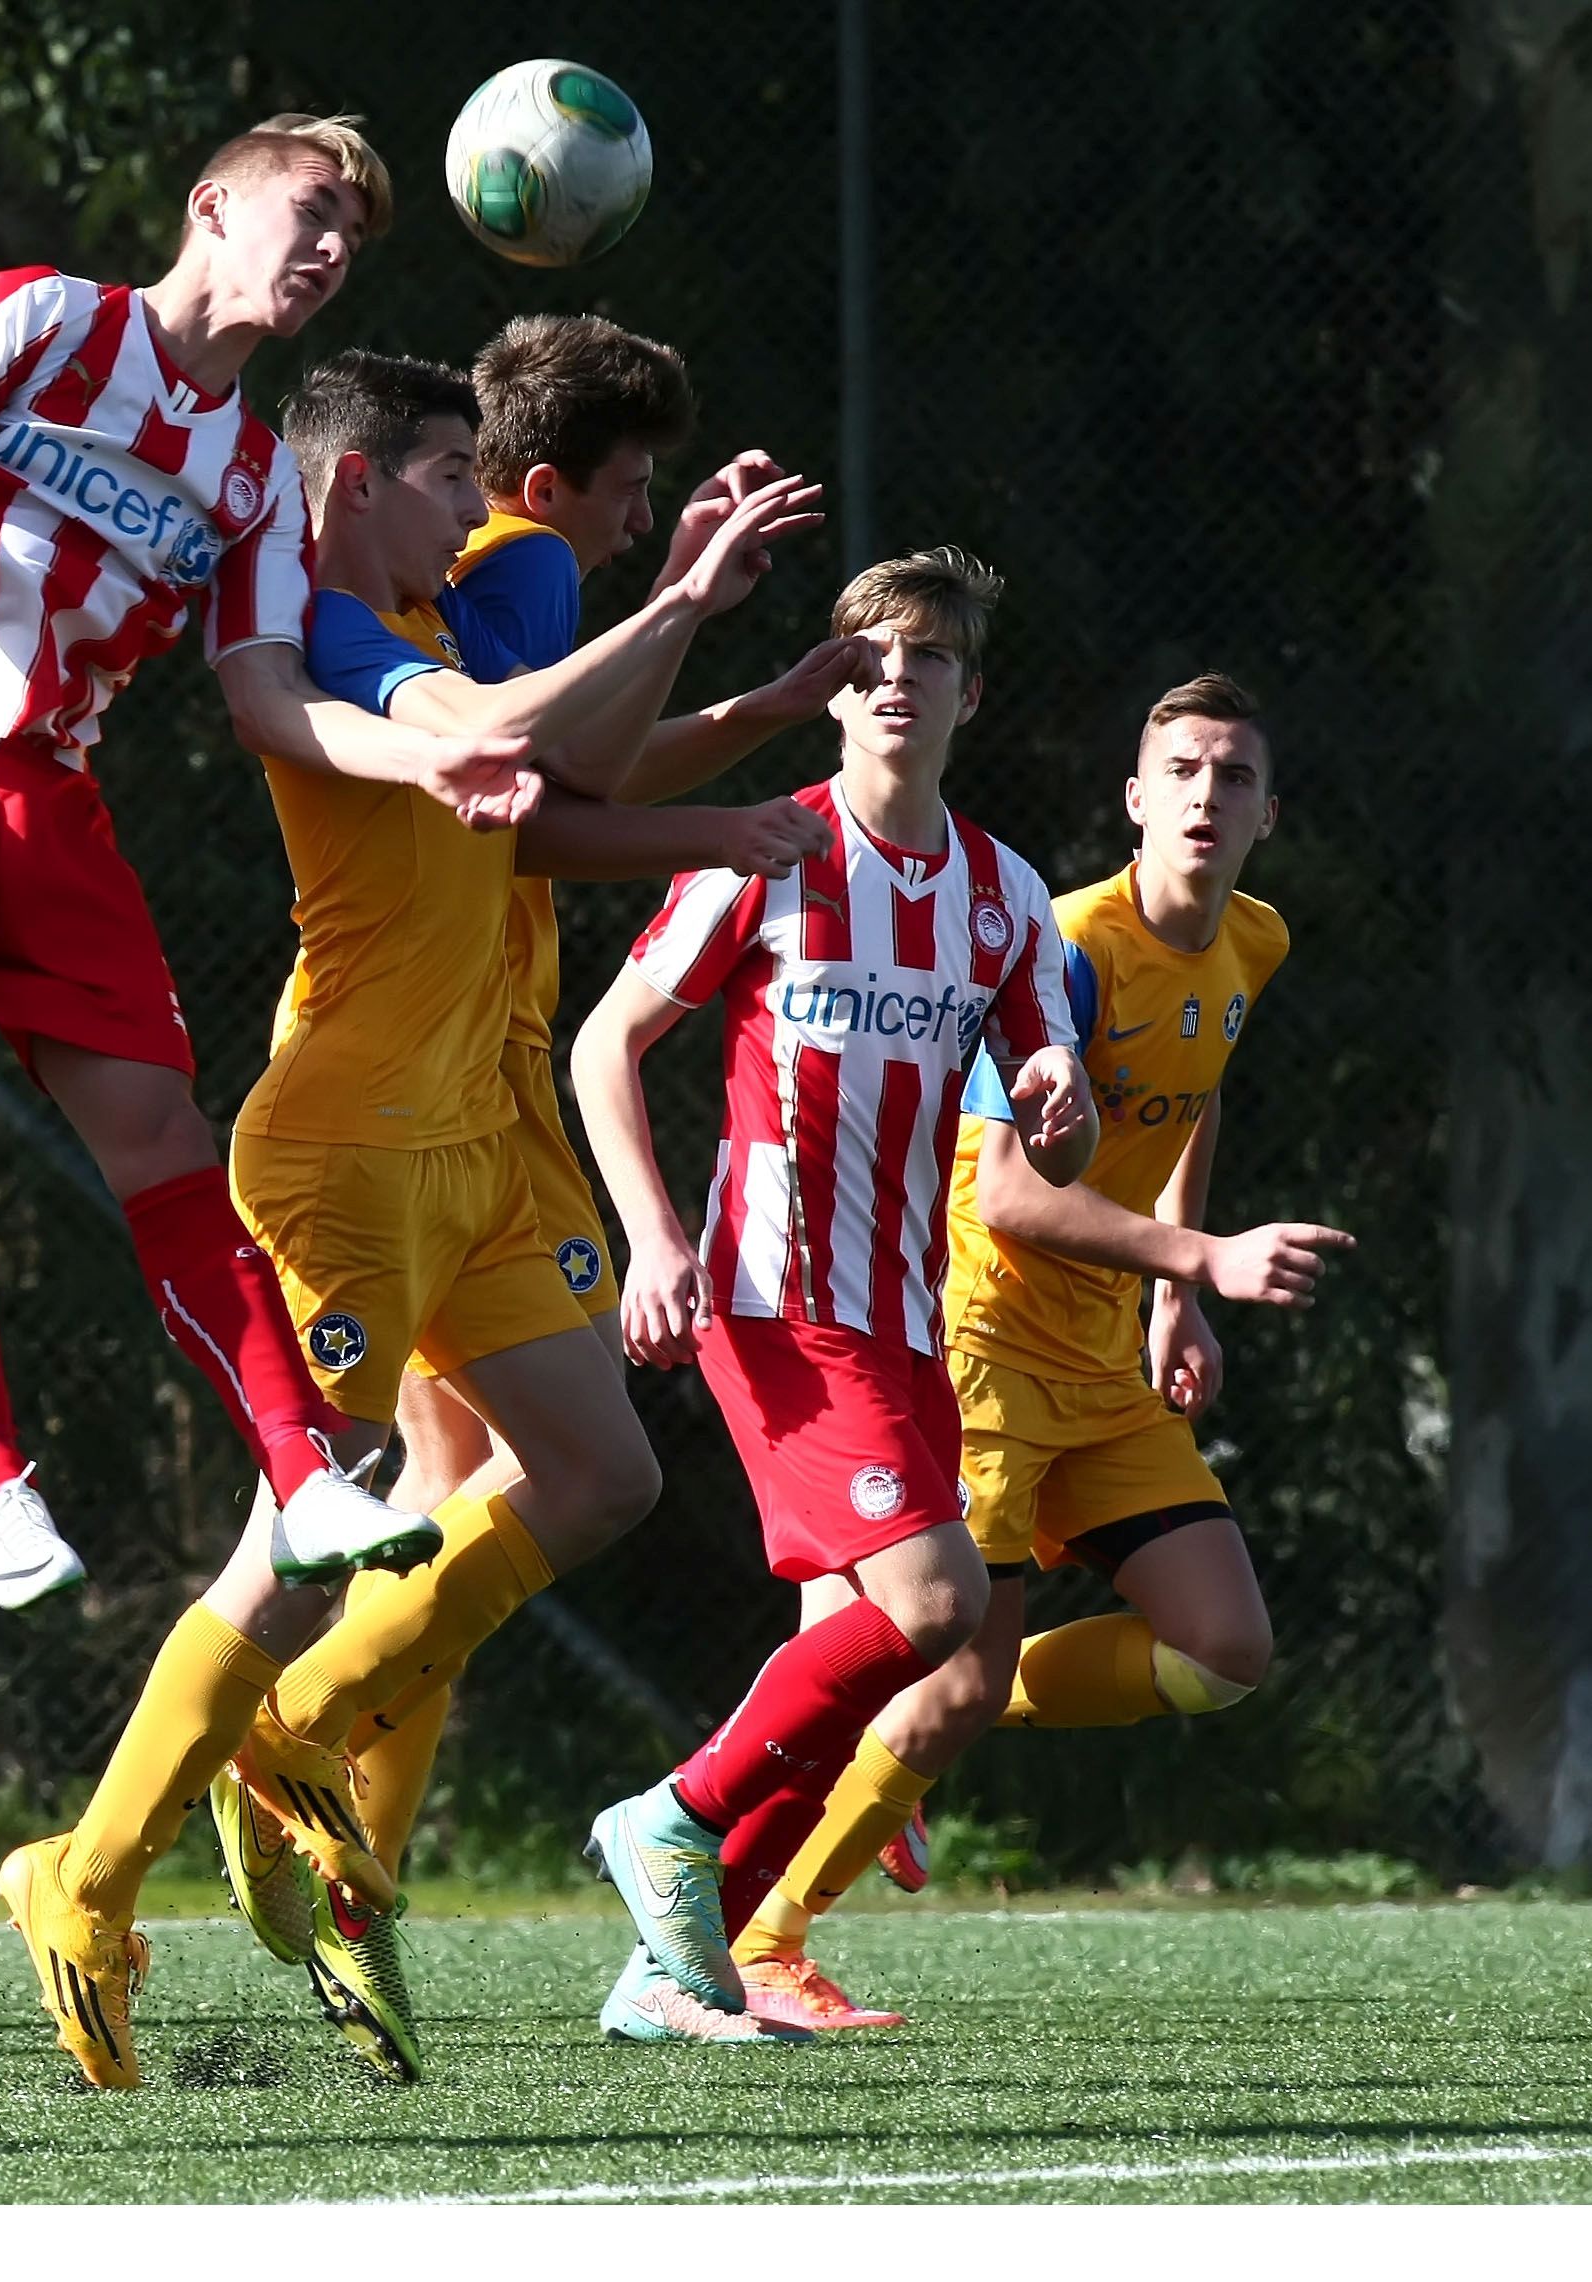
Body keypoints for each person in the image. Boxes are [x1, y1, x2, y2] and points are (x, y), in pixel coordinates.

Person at [0, 348, 827, 2089]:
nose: (483, 501)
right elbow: (507, 745)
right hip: (353, 1146)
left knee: (601, 1471)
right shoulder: (336, 640)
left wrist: (728, 775)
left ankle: (300, 1724)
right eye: (453, 473)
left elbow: (545, 813)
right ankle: (87, 1876)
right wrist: (684, 601)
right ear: (358, 485)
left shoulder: (439, 620)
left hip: (481, 1144)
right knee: (299, 1536)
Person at [0, 115, 538, 1611]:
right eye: (312, 208)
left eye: (354, 235)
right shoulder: (44, 318)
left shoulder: (256, 478)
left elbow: (268, 699)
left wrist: (423, 757)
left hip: (48, 801)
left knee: (161, 1131)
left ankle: (304, 1476)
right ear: (213, 205)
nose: (332, 246)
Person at [298, 314, 877, 1901]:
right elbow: (559, 806)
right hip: (424, 1084)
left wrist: (745, 692)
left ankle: (341, 1852)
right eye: (632, 489)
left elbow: (564, 778)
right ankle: (266, 1806)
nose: (640, 517)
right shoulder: (529, 560)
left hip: (452, 1070)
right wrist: (709, 697)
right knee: (408, 1498)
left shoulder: (482, 571)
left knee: (446, 1494)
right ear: (544, 483)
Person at [726, 672, 1348, 2027]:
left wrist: (1174, 1299)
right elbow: (1006, 1193)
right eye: (1181, 769)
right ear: (1134, 798)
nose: (1206, 793)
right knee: (946, 1680)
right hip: (986, 1350)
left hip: (1105, 1360)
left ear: (1268, 815)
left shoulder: (1253, 939)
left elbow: (1193, 1096)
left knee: (1223, 1647)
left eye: (1235, 776)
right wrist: (1204, 1257)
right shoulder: (1064, 949)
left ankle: (909, 1709)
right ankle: (765, 1937)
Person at [570, 545, 1099, 2042]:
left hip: (907, 1319)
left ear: (969, 695)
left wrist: (1061, 1098)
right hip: (775, 1297)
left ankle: (679, 1968)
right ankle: (672, 1817)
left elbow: (1053, 1111)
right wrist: (651, 1238)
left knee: (864, 1661)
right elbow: (604, 1044)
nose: (896, 682)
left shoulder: (1005, 895)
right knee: (937, 1605)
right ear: (834, 691)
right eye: (869, 659)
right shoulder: (767, 848)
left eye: (928, 658)